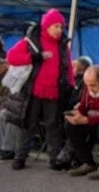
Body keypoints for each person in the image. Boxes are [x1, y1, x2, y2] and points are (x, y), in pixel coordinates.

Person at [4, 9, 72, 171]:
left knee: (52, 126)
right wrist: (35, 57)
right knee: (29, 125)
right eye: (56, 26)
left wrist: (70, 84)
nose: (59, 30)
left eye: (61, 27)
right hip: (33, 92)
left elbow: (68, 67)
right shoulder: (30, 42)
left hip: (54, 92)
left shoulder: (63, 46)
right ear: (46, 26)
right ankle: (20, 157)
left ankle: (54, 159)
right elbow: (11, 57)